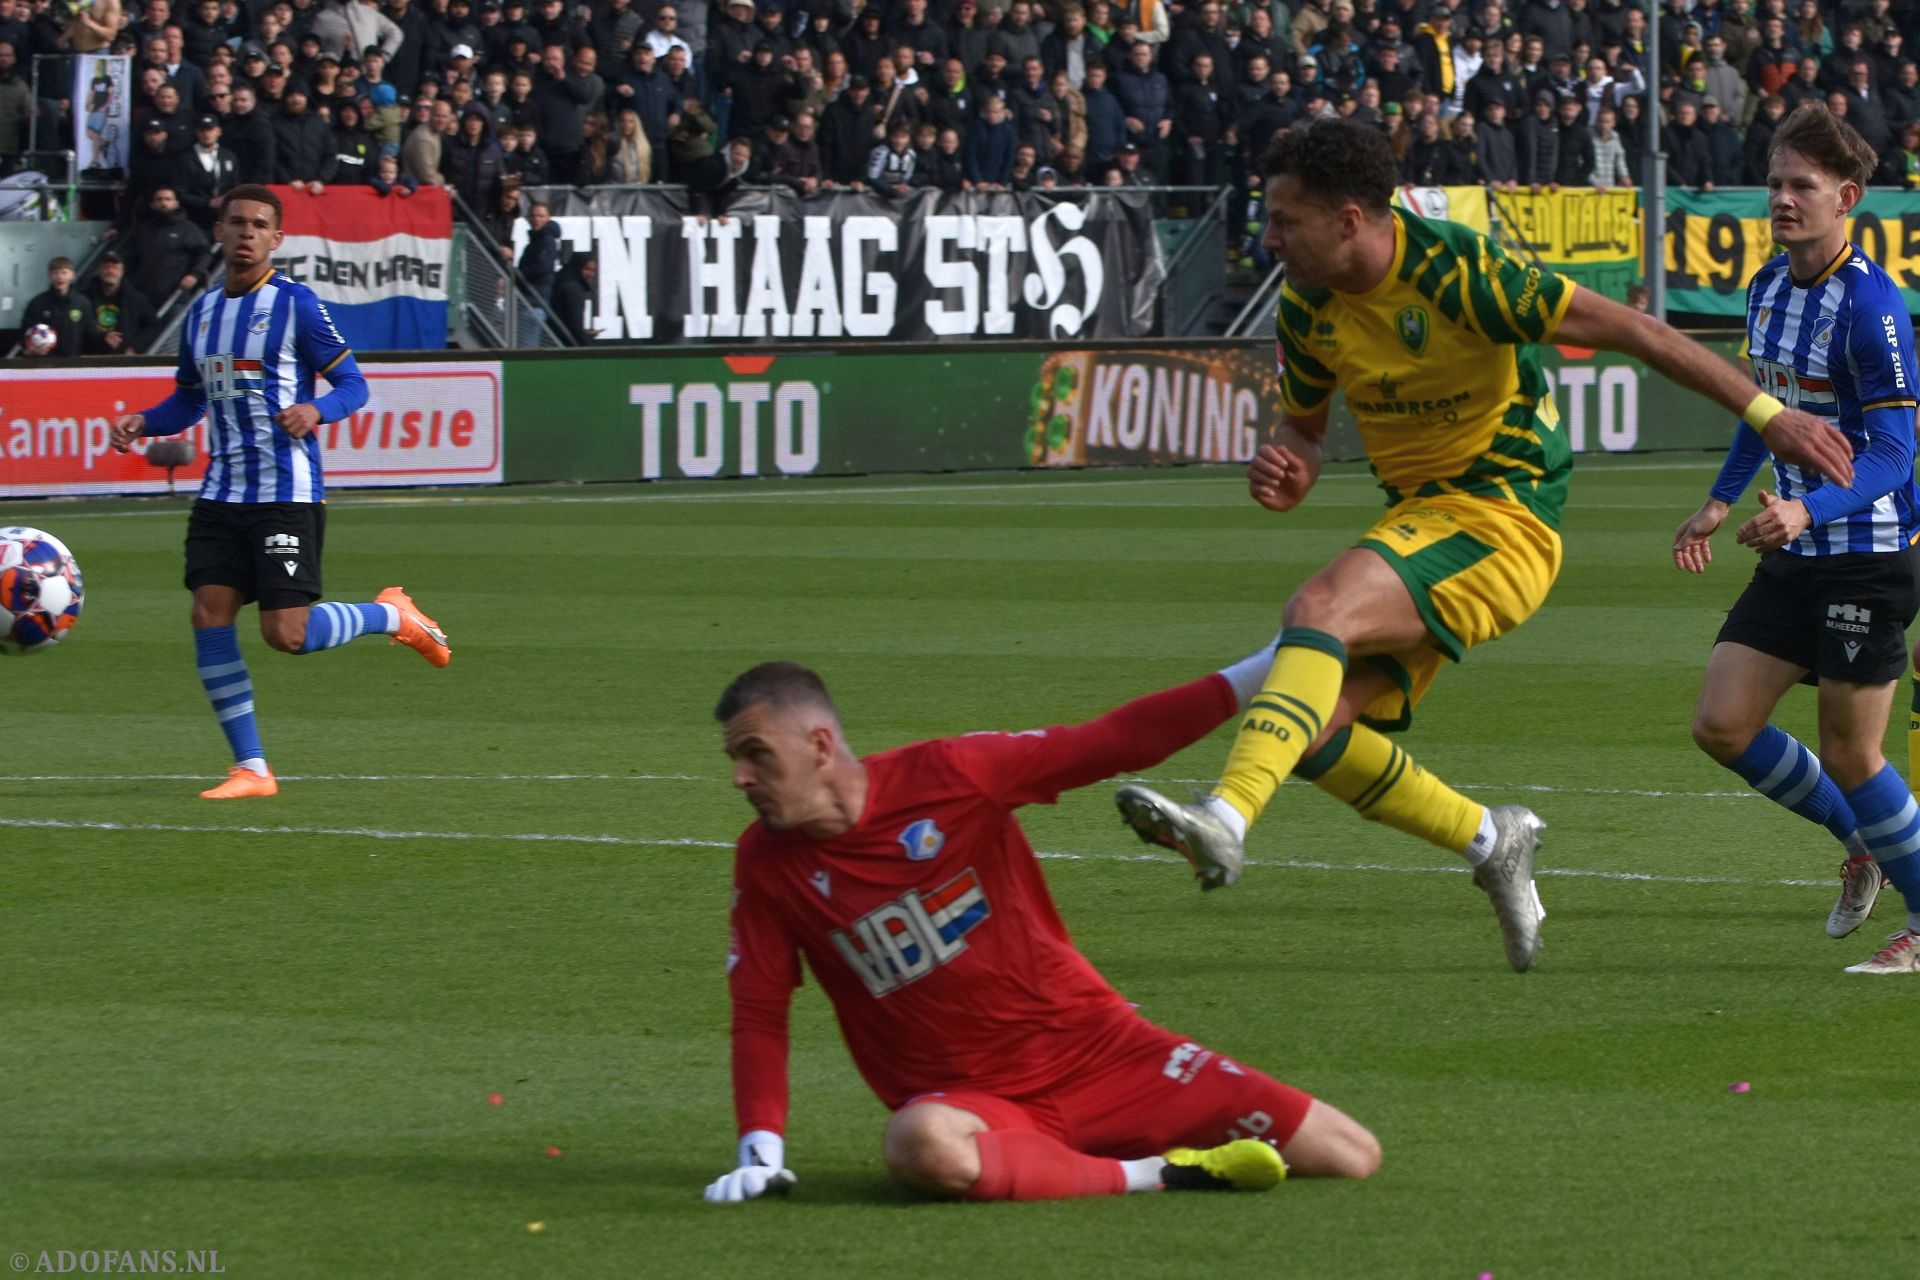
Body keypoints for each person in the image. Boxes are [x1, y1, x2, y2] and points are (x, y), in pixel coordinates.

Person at [1111, 119, 1855, 972]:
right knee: (1315, 736)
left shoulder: (1456, 270)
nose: (1268, 239)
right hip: (1418, 522)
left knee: (1315, 609)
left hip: (1505, 518)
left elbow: (1637, 330)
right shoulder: (1308, 304)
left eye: (1284, 220)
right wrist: (1293, 466)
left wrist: (1771, 416)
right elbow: (1306, 429)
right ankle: (1489, 841)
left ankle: (1227, 819)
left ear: (1350, 218)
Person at [704, 656, 1381, 1205]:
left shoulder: (951, 775)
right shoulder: (764, 863)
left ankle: (1057, 1166)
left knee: (1349, 1155)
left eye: (756, 755)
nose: (740, 777)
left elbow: (1114, 741)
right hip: (977, 1106)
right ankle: (1159, 1175)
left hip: (1105, 1053)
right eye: (736, 758)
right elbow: (760, 1012)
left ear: (820, 745)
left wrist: (1280, 661)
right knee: (920, 1145)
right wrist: (760, 1151)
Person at [1671, 104, 1920, 974]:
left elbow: (1896, 451)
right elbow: (1763, 410)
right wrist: (1718, 499)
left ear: (1845, 197)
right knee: (1722, 724)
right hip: (1796, 549)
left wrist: (1810, 509)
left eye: (1800, 186)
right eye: (1774, 183)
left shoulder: (1872, 307)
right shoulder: (1767, 287)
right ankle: (1866, 847)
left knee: (1854, 749)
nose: (1780, 199)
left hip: (1868, 549)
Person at [107, 184, 450, 801]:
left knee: (285, 634)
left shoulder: (296, 306)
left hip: (284, 494)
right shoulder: (203, 313)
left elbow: (353, 386)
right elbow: (190, 395)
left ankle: (393, 615)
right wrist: (143, 420)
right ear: (218, 230)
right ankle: (253, 769)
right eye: (236, 222)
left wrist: (316, 411)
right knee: (208, 613)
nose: (246, 233)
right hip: (220, 497)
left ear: (276, 239)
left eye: (259, 225)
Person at [21, 258, 99, 357]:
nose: (59, 277)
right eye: (55, 273)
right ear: (50, 276)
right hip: (44, 363)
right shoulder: (38, 303)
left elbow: (91, 331)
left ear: (72, 276)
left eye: (64, 273)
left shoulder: (82, 303)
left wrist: (104, 338)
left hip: (73, 363)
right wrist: (28, 348)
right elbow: (25, 331)